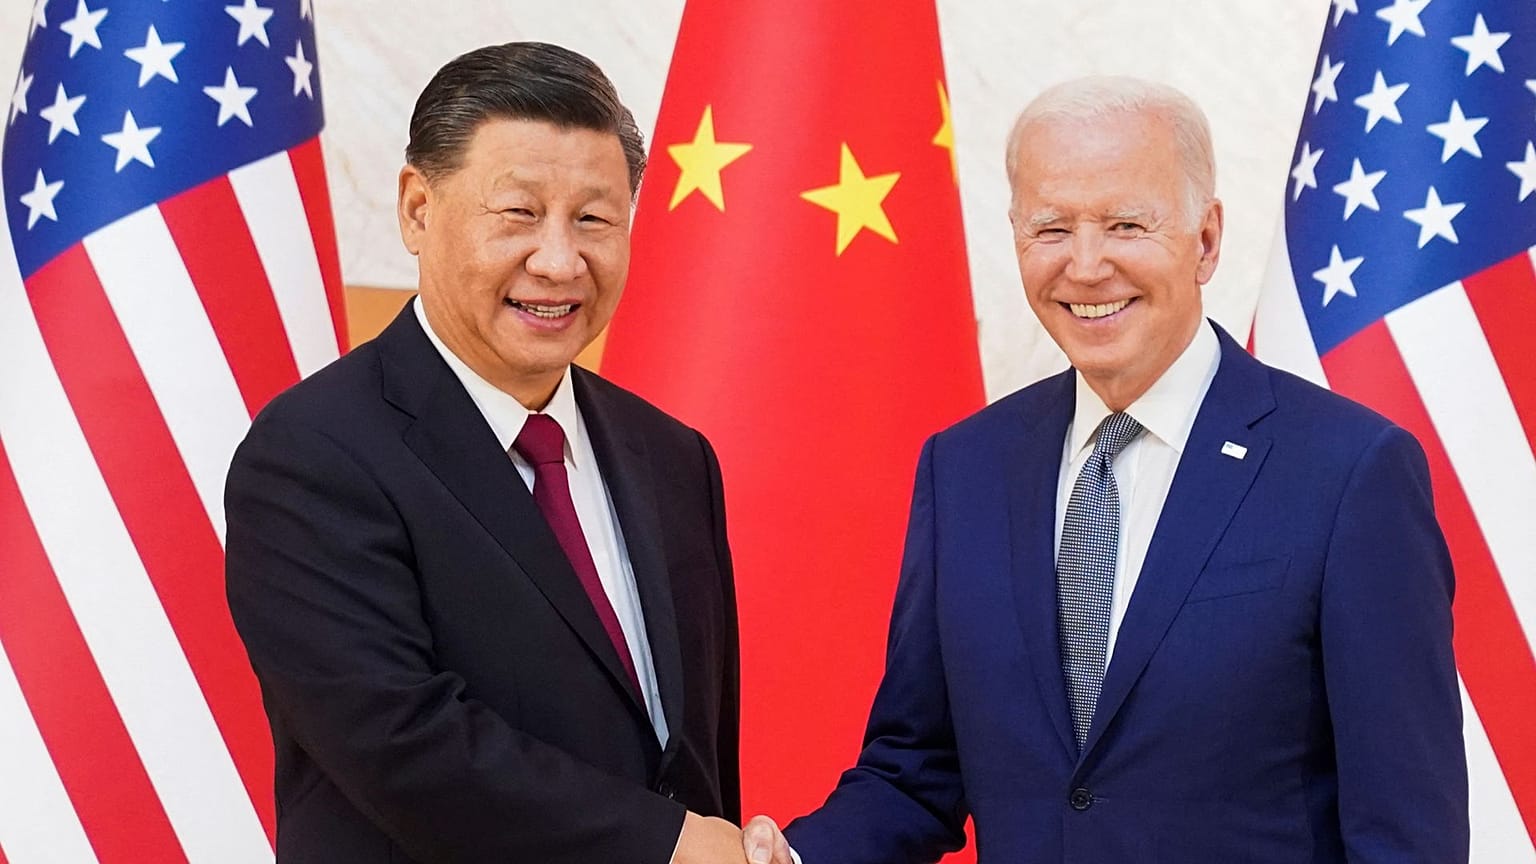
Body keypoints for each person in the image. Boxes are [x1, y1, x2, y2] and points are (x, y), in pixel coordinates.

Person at [742, 76, 1468, 863]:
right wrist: (796, 859)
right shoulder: (965, 468)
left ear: (1207, 240)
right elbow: (919, 769)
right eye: (1052, 228)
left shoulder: (1352, 471)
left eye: (1126, 225)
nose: (1086, 268)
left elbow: (1406, 834)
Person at [225, 42, 745, 864]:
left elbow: (694, 760)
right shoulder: (310, 455)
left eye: (595, 219)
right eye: (518, 213)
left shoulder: (672, 456)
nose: (560, 261)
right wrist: (667, 845)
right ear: (417, 209)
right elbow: (403, 746)